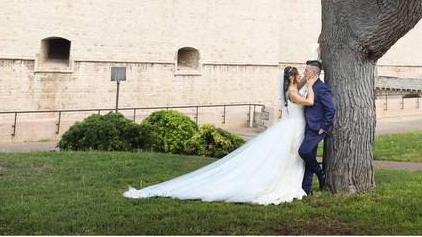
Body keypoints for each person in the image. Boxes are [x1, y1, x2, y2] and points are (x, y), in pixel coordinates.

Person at [123, 65, 321, 205]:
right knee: (289, 157)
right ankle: (283, 184)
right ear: (291, 78)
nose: (301, 76)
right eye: (298, 74)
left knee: (291, 157)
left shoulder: (293, 86)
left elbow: (307, 76)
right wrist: (311, 87)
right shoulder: (293, 93)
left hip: (293, 126)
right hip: (293, 127)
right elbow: (310, 101)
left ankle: (293, 182)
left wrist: (314, 64)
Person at [298, 59, 336, 194]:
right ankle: (305, 189)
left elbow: (331, 109)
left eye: (306, 70)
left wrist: (324, 127)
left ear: (313, 73)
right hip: (309, 127)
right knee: (309, 156)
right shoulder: (309, 85)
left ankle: (320, 174)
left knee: (303, 152)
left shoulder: (322, 88)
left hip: (317, 128)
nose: (304, 72)